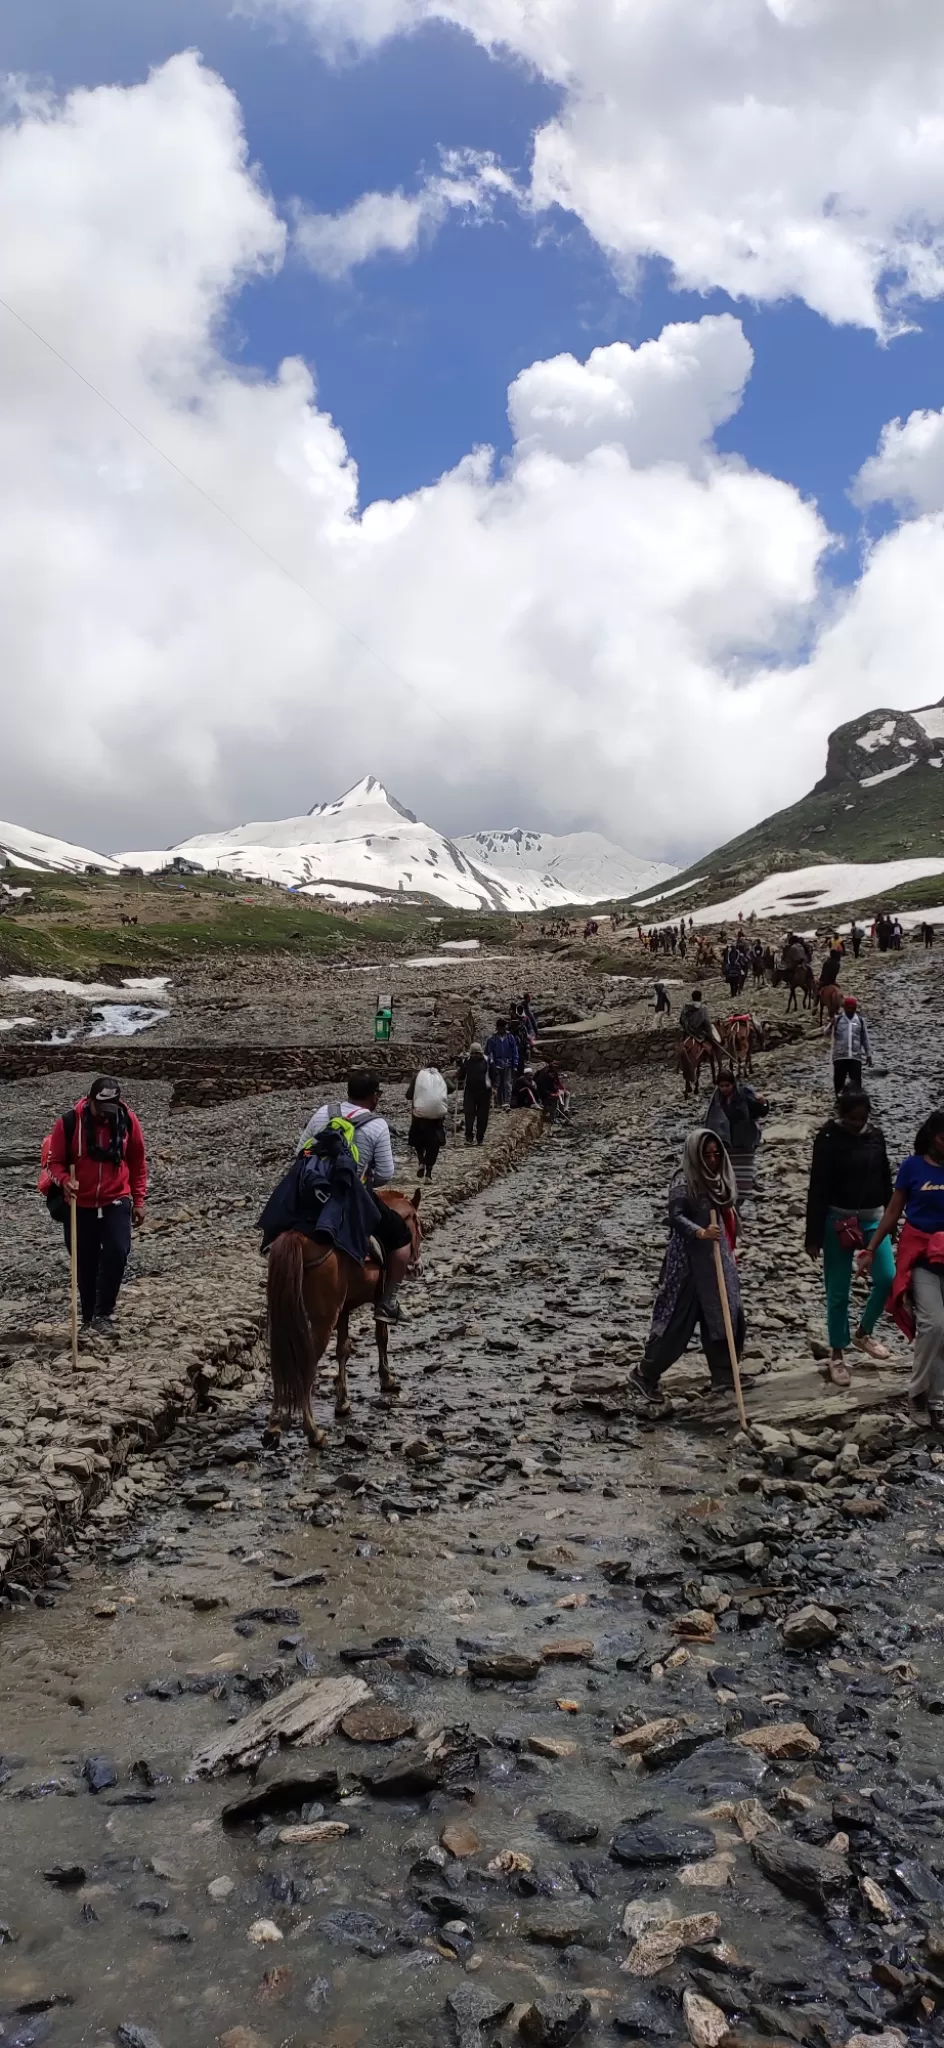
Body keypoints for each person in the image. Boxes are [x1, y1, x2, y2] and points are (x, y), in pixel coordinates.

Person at [631, 1130, 744, 1407]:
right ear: (695, 1155)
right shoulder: (684, 1180)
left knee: (725, 1314)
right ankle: (645, 1374)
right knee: (677, 1323)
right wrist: (700, 1232)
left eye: (717, 1154)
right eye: (707, 1155)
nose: (713, 1159)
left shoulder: (718, 1178)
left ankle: (724, 1375)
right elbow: (676, 1217)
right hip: (689, 1265)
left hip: (717, 1256)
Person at [296, 1068, 411, 1323]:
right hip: (349, 1194)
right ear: (375, 1096)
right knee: (402, 1236)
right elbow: (384, 1174)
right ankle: (388, 1302)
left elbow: (299, 1151)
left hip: (311, 1190)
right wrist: (363, 1178)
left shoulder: (324, 1112)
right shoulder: (377, 1124)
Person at [859, 1110, 944, 1428]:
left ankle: (937, 1401)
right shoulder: (913, 1167)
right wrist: (870, 1249)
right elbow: (894, 1211)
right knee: (933, 1325)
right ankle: (918, 1395)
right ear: (932, 1136)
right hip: (921, 1257)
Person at [44, 1076, 147, 1337]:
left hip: (115, 1198)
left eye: (109, 1110)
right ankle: (89, 1317)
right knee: (84, 1261)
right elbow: (53, 1163)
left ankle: (104, 1314)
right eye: (100, 1110)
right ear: (89, 1101)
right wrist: (65, 1181)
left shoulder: (127, 1121)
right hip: (80, 1203)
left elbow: (137, 1161)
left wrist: (139, 1200)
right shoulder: (68, 1123)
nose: (104, 1116)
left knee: (117, 1251)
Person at [805, 1089, 894, 1386]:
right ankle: (838, 1354)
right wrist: (813, 1235)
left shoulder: (876, 1136)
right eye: (852, 1118)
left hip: (873, 1219)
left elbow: (884, 1177)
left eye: (862, 1117)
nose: (858, 1123)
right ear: (841, 1114)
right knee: (838, 1290)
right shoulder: (828, 1137)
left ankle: (863, 1333)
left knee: (887, 1278)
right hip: (837, 1220)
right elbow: (817, 1185)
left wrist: (891, 1222)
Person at [705, 1068, 769, 1206]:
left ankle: (740, 1202)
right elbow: (711, 1118)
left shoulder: (744, 1094)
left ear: (733, 1084)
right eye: (721, 1086)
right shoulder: (717, 1099)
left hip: (745, 1141)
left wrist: (763, 1102)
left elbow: (760, 1112)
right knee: (728, 1176)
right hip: (727, 1144)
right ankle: (731, 1205)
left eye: (727, 1085)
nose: (724, 1089)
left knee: (743, 1177)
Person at [406, 1065, 452, 1181]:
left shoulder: (418, 1077)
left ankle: (421, 1162)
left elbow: (409, 1095)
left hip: (419, 1117)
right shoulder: (440, 1077)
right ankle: (429, 1174)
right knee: (433, 1145)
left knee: (418, 1141)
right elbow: (451, 1087)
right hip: (436, 1120)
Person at [830, 994, 872, 1096]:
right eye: (849, 1008)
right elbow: (826, 1033)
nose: (851, 1010)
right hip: (840, 1056)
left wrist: (868, 1054)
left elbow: (865, 1038)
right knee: (839, 1082)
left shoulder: (860, 1021)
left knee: (856, 1084)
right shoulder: (838, 1019)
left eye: (853, 1008)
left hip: (855, 1057)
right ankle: (838, 1101)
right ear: (844, 1008)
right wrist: (831, 1024)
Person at [457, 1042, 491, 1146]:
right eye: (473, 1054)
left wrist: (495, 1087)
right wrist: (459, 1070)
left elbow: (494, 1073)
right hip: (470, 1092)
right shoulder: (467, 1061)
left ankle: (480, 1138)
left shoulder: (487, 1060)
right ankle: (469, 1138)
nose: (475, 1056)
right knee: (469, 1115)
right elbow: (461, 1075)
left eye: (477, 1053)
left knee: (482, 1116)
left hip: (484, 1091)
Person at [486, 1018, 518, 1110]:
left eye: (503, 1027)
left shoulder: (510, 1037)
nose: (502, 1029)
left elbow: (514, 1051)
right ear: (498, 1028)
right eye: (500, 1027)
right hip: (496, 1064)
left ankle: (507, 1103)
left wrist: (515, 1065)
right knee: (498, 1084)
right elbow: (488, 1053)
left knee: (507, 1083)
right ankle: (500, 1102)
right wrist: (491, 1064)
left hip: (508, 1064)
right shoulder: (492, 1039)